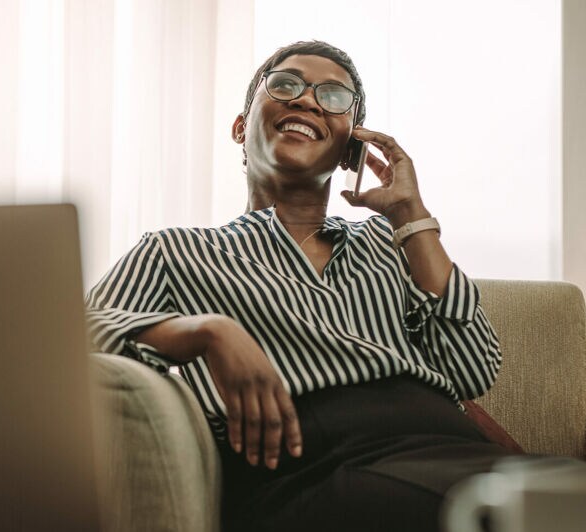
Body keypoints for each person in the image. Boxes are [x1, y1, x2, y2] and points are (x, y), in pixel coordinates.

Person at [84, 40, 516, 532]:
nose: (308, 100)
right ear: (240, 127)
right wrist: (208, 331)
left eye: (333, 97)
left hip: (453, 452)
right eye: (286, 85)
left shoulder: (391, 242)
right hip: (313, 471)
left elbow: (473, 368)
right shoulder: (175, 251)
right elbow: (69, 338)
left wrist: (410, 215)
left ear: (351, 146)